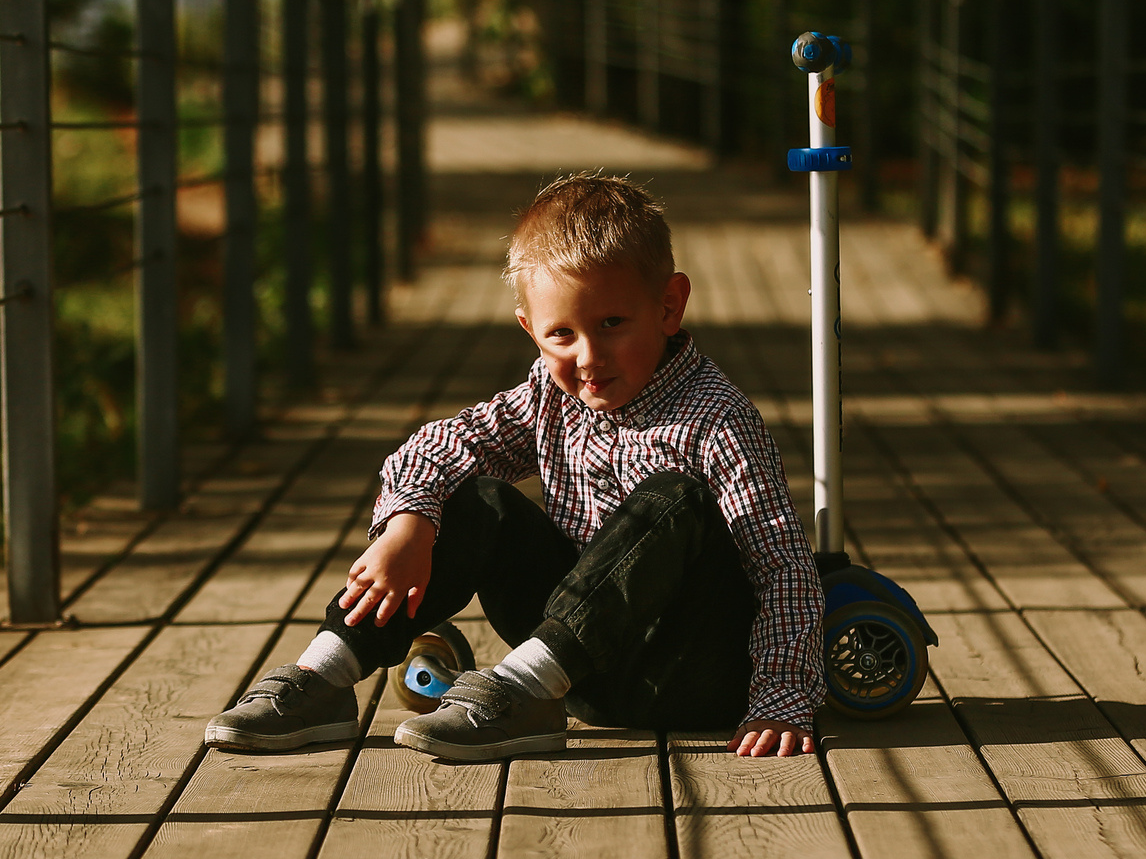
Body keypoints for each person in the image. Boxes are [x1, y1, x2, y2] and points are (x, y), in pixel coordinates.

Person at [203, 170, 824, 763]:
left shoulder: (715, 419)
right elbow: (436, 445)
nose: (589, 356)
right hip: (577, 674)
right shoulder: (550, 397)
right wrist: (408, 525)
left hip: (687, 671)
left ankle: (521, 686)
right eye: (563, 335)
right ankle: (327, 673)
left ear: (669, 306)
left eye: (612, 324)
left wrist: (782, 698)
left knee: (673, 500)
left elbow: (783, 569)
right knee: (476, 501)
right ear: (531, 330)